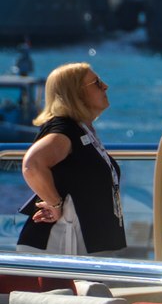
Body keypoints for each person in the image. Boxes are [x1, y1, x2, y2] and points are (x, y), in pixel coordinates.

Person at [16, 63, 126, 255]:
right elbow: (32, 165)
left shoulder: (81, 130)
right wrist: (55, 204)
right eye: (97, 83)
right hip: (59, 247)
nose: (105, 86)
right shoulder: (64, 130)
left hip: (85, 246)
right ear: (76, 93)